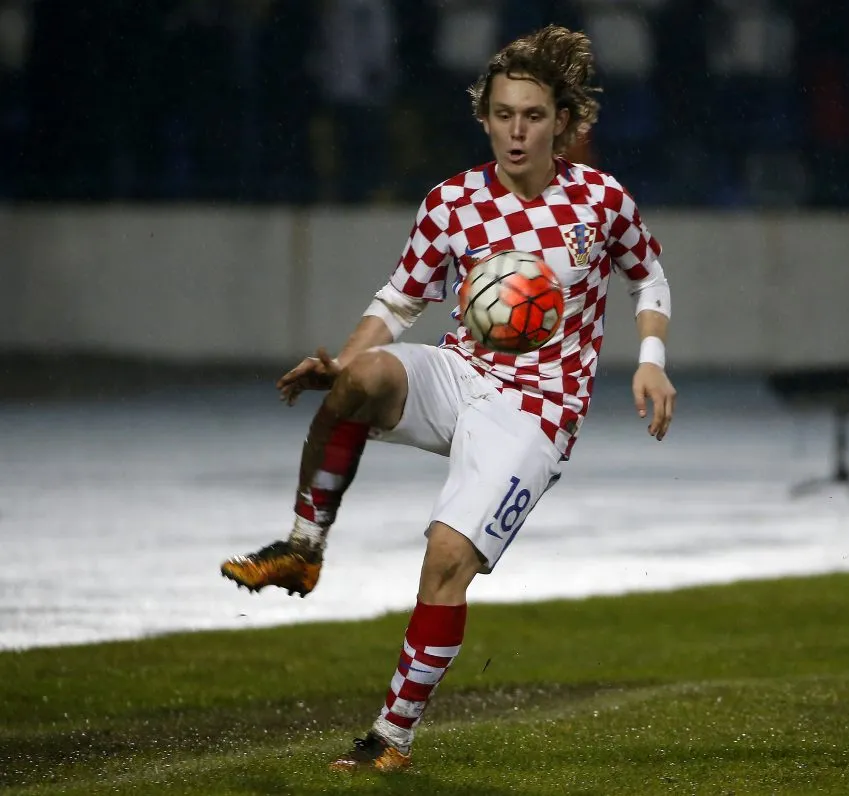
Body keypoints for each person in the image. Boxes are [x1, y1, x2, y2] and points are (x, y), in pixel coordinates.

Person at [220, 24, 676, 773]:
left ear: (562, 121)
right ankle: (303, 550)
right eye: (502, 115)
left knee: (444, 559)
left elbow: (648, 276)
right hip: (460, 378)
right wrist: (342, 361)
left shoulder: (600, 202)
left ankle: (391, 737)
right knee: (362, 381)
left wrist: (651, 360)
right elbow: (399, 301)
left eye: (532, 116)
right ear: (484, 117)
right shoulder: (454, 201)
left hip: (536, 411)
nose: (516, 131)